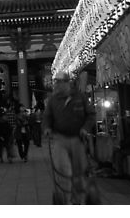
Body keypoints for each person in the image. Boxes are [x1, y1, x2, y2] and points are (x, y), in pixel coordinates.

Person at [43, 71, 96, 204]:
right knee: (63, 171)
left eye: (61, 82)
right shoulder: (53, 100)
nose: (58, 85)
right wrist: (47, 128)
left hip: (78, 138)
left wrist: (86, 128)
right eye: (57, 82)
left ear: (68, 83)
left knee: (79, 171)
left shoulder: (80, 97)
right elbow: (47, 117)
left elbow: (91, 115)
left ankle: (79, 200)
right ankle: (65, 201)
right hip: (60, 139)